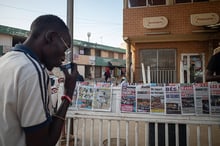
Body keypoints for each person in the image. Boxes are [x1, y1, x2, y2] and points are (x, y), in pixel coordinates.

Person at [0, 14, 78, 146]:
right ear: (51, 37)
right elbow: (43, 143)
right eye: (64, 49)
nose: (63, 58)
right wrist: (68, 95)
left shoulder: (5, 61)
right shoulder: (33, 71)